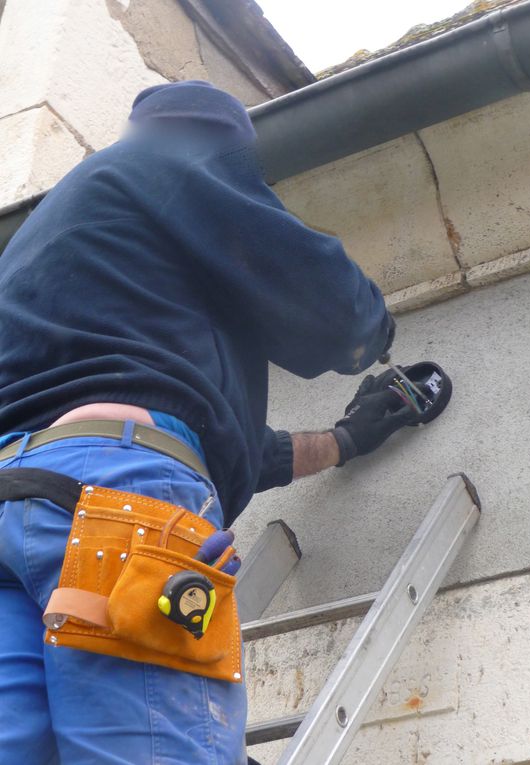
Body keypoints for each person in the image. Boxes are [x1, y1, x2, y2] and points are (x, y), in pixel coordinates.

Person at [0, 81, 410, 765]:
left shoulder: (59, 246)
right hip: (112, 505)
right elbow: (333, 313)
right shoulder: (173, 160)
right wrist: (377, 329)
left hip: (18, 508)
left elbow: (229, 452)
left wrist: (345, 441)